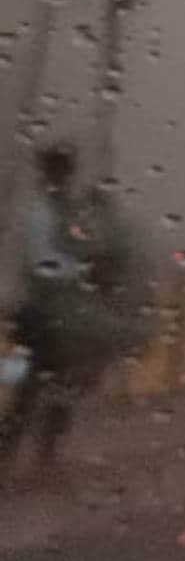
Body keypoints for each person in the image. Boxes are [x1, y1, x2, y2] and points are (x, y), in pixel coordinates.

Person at [1, 144, 92, 487]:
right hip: (39, 315)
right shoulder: (40, 213)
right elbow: (42, 262)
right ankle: (23, 457)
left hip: (48, 314)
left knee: (43, 385)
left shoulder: (57, 211)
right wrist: (78, 271)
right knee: (31, 385)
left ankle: (41, 457)